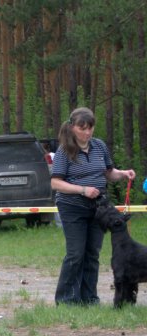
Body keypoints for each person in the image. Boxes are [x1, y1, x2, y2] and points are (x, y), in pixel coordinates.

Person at [50, 107, 135, 305]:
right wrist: (82, 189)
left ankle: (89, 298)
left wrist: (122, 173)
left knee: (92, 253)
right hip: (72, 207)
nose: (87, 133)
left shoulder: (99, 146)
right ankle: (66, 300)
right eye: (83, 128)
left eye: (90, 128)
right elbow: (56, 183)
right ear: (72, 128)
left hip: (99, 208)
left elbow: (108, 173)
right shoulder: (64, 151)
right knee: (76, 253)